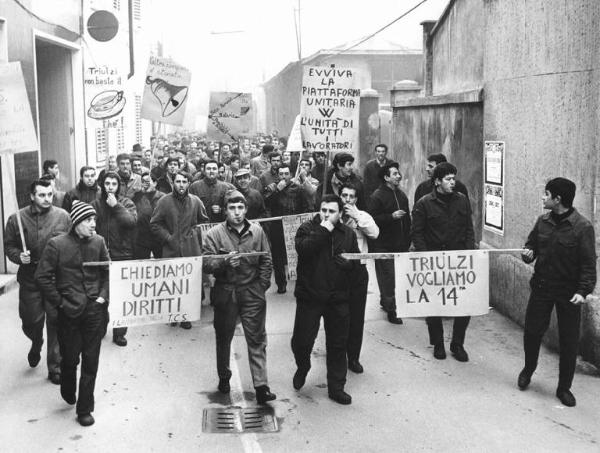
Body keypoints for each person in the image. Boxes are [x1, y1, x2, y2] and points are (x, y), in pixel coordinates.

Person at [519, 177, 596, 407]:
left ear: (558, 199)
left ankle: (564, 388)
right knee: (532, 332)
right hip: (542, 286)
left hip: (569, 292)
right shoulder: (542, 221)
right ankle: (528, 370)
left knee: (569, 341)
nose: (543, 198)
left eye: (546, 194)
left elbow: (588, 264)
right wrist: (528, 253)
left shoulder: (582, 228)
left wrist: (583, 291)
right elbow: (531, 245)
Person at [35, 201, 109, 427]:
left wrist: (102, 298)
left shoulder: (99, 242)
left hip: (95, 311)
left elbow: (108, 272)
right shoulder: (56, 245)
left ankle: (85, 408)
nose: (93, 225)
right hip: (68, 313)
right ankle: (68, 385)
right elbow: (42, 277)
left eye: (94, 220)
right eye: (88, 220)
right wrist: (60, 303)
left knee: (91, 360)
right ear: (76, 222)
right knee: (70, 359)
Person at [202, 191, 276, 404]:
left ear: (246, 209)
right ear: (225, 211)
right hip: (226, 292)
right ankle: (224, 377)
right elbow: (206, 262)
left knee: (257, 339)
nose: (237, 213)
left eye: (240, 208)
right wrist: (224, 262)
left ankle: (261, 386)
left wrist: (262, 286)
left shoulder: (257, 231)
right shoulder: (214, 233)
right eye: (232, 208)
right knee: (224, 338)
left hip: (252, 291)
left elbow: (266, 260)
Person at [291, 194, 360, 405]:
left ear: (340, 213)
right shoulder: (307, 228)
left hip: (337, 298)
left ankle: (336, 387)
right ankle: (303, 366)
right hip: (310, 296)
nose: (327, 215)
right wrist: (324, 229)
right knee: (301, 342)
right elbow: (304, 250)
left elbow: (356, 261)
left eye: (331, 212)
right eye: (324, 210)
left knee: (338, 344)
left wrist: (348, 265)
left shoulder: (348, 234)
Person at [4, 179, 72, 385]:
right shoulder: (16, 218)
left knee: (55, 321)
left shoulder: (63, 217)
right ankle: (36, 341)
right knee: (31, 321)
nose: (47, 199)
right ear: (32, 196)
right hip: (30, 278)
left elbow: (71, 243)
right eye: (42, 195)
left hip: (54, 278)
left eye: (50, 194)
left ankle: (55, 366)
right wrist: (18, 256)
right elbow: (9, 246)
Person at [411, 162, 474, 362]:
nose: (452, 182)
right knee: (434, 304)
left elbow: (468, 229)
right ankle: (438, 343)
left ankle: (457, 344)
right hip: (434, 261)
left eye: (453, 178)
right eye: (448, 179)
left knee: (464, 304)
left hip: (458, 261)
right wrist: (425, 256)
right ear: (437, 182)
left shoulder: (462, 200)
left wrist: (469, 254)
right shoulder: (423, 203)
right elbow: (417, 232)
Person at [150, 171, 208, 329]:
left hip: (191, 249)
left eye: (184, 181)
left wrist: (194, 231)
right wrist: (168, 238)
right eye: (178, 181)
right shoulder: (164, 201)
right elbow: (154, 224)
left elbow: (204, 222)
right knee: (172, 283)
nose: (181, 185)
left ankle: (185, 316)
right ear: (173, 183)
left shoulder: (195, 201)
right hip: (171, 249)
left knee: (189, 283)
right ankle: (173, 314)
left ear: (189, 183)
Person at [91, 171, 137, 347]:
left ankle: (119, 333)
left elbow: (131, 222)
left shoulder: (127, 203)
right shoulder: (95, 204)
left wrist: (116, 206)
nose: (110, 187)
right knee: (100, 294)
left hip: (122, 255)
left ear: (119, 186)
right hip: (101, 255)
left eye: (114, 184)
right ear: (102, 185)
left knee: (121, 296)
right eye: (107, 183)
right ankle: (101, 326)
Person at [340, 183, 379, 373]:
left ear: (356, 199)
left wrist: (357, 216)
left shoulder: (363, 215)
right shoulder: (332, 214)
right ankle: (338, 355)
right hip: (337, 271)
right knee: (338, 316)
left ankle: (353, 357)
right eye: (344, 196)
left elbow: (374, 233)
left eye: (351, 196)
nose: (347, 200)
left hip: (358, 271)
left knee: (356, 317)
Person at [368, 162, 411, 324]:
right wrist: (390, 217)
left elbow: (408, 219)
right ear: (386, 178)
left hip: (401, 244)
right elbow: (371, 220)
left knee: (398, 278)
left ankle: (386, 301)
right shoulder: (377, 196)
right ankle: (392, 310)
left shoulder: (401, 195)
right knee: (388, 278)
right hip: (383, 244)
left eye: (398, 173)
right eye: (394, 174)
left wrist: (409, 238)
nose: (398, 176)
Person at [264, 164, 310, 294]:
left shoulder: (298, 189)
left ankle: (300, 283)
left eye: (286, 174)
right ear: (277, 175)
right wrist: (276, 191)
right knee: (277, 257)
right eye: (281, 174)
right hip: (277, 227)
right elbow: (266, 204)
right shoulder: (272, 188)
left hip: (294, 226)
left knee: (297, 255)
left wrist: (302, 224)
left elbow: (306, 206)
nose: (284, 177)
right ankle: (281, 284)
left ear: (290, 174)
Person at [132, 172, 164, 259]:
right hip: (142, 238)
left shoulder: (163, 198)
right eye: (143, 181)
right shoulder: (137, 197)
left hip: (159, 238)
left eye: (148, 181)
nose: (145, 184)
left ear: (155, 183)